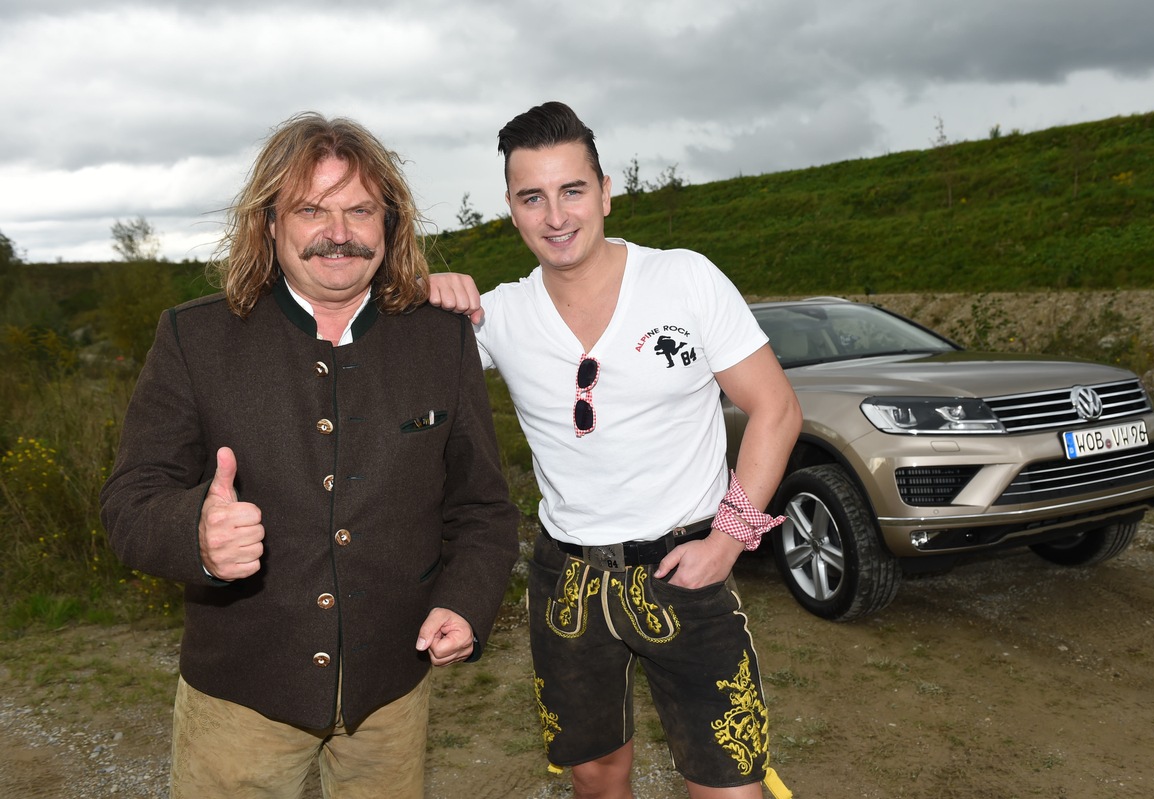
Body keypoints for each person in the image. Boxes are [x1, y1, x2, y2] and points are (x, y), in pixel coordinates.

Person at [100, 112, 520, 798]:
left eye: (361, 209)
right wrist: (195, 535)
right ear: (270, 223)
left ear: (389, 225)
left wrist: (466, 603)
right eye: (311, 208)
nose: (340, 232)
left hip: (390, 697)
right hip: (239, 698)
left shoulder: (440, 340)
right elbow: (129, 500)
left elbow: (482, 507)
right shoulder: (194, 338)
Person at [429, 101, 802, 799]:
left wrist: (729, 536)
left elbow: (776, 407)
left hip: (686, 567)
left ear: (605, 190)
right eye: (532, 197)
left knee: (729, 783)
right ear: (511, 209)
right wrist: (421, 291)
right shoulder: (498, 316)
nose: (556, 216)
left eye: (572, 190)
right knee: (598, 777)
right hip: (566, 581)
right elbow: (386, 343)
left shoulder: (684, 279)